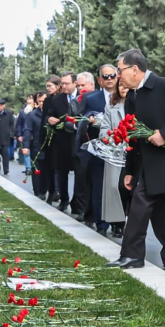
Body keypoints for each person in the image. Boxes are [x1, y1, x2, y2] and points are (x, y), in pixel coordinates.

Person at [106, 48, 165, 275]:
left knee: (139, 206)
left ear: (134, 69)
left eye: (120, 70)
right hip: (146, 164)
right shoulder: (133, 96)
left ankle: (132, 255)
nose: (118, 75)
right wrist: (129, 170)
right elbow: (133, 135)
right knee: (162, 212)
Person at [70, 71, 107, 226]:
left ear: (93, 84)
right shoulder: (82, 100)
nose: (80, 88)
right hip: (87, 147)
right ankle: (90, 214)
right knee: (88, 182)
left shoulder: (99, 97)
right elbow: (78, 119)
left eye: (83, 85)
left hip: (111, 144)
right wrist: (82, 122)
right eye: (78, 85)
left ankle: (116, 222)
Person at [98, 80, 130, 239]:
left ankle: (130, 222)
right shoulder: (111, 106)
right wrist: (114, 136)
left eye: (126, 86)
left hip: (134, 152)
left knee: (131, 188)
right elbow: (104, 130)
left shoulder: (139, 104)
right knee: (115, 187)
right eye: (121, 86)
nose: (123, 89)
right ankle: (118, 223)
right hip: (115, 152)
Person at [42, 73, 75, 210]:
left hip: (78, 140)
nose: (64, 86)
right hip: (61, 141)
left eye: (67, 83)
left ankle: (78, 204)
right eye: (63, 83)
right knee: (61, 172)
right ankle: (64, 199)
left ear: (75, 83)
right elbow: (48, 115)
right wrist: (49, 119)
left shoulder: (82, 98)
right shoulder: (56, 100)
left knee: (81, 173)